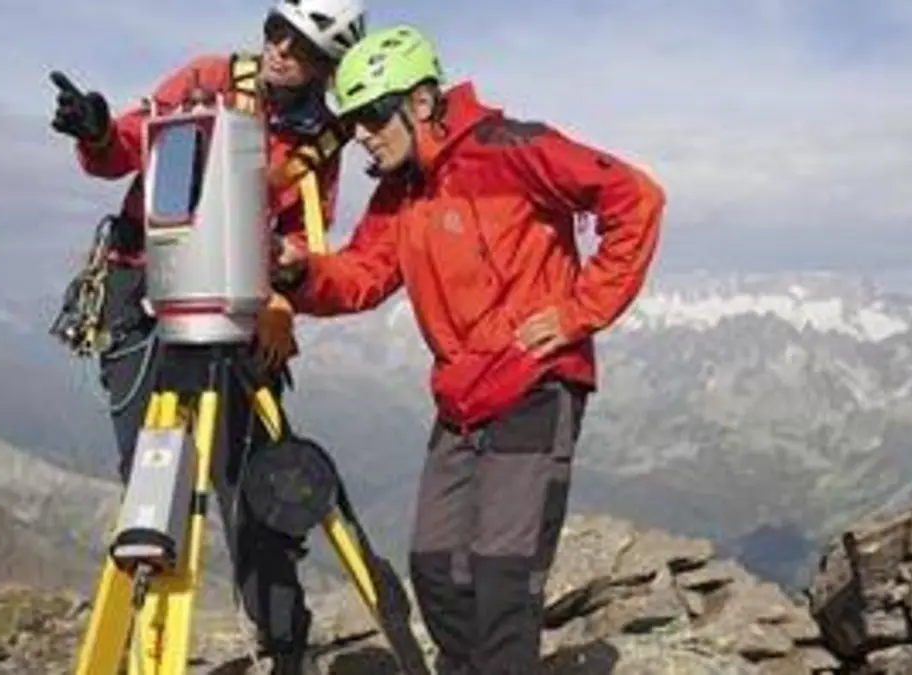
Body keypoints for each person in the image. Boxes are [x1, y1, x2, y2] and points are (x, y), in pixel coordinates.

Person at [272, 24, 667, 675]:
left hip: (535, 385)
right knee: (435, 569)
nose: (362, 133)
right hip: (460, 396)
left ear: (421, 101)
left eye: (372, 115)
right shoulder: (400, 192)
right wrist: (297, 272)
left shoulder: (511, 149)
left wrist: (579, 311)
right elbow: (363, 273)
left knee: (502, 576)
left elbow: (636, 197)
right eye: (352, 121)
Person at [49, 1, 366, 672]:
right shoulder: (208, 78)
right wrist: (98, 133)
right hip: (142, 289)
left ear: (327, 66)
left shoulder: (321, 144)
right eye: (276, 32)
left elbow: (307, 235)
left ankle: (284, 644)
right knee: (152, 480)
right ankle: (146, 652)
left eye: (301, 46)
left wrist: (284, 288)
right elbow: (131, 144)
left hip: (240, 305)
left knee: (255, 484)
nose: (280, 50)